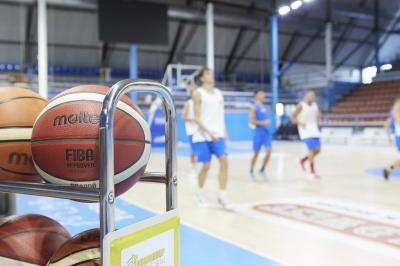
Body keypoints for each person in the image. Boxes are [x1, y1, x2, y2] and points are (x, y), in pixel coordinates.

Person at [192, 67, 229, 209]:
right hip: (202, 136)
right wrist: (208, 132)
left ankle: (222, 196)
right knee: (206, 166)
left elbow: (221, 114)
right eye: (207, 73)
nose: (210, 75)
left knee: (225, 162)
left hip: (218, 135)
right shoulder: (198, 94)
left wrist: (224, 131)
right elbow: (196, 117)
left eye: (211, 73)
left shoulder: (219, 94)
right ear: (202, 78)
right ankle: (199, 193)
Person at [291, 91, 321, 179]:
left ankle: (302, 160)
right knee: (311, 151)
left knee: (318, 150)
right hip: (305, 131)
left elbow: (318, 116)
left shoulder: (315, 105)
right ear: (306, 96)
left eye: (313, 96)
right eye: (309, 96)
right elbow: (293, 117)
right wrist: (300, 123)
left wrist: (319, 115)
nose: (311, 97)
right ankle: (312, 172)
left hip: (314, 130)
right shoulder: (301, 105)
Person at [249, 90, 273, 180]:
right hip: (258, 132)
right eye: (261, 94)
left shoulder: (264, 107)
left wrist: (266, 123)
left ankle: (262, 169)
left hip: (266, 133)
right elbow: (251, 121)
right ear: (256, 96)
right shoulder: (254, 107)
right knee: (256, 153)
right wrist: (263, 122)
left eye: (264, 94)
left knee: (269, 151)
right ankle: (251, 170)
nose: (263, 95)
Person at [182, 81, 198, 177]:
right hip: (191, 130)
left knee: (199, 150)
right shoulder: (188, 103)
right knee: (193, 150)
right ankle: (192, 167)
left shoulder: (200, 104)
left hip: (199, 130)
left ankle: (195, 166)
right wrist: (194, 120)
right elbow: (184, 117)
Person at [384, 98, 400, 180]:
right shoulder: (395, 113)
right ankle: (388, 169)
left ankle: (388, 169)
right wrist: (389, 137)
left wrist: (389, 137)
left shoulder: (393, 113)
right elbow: (386, 124)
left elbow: (386, 124)